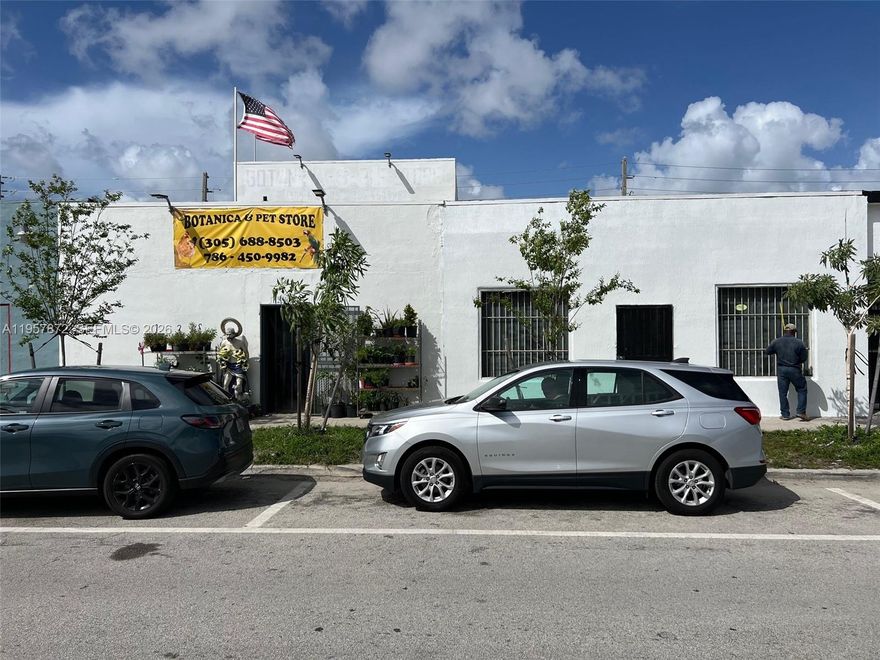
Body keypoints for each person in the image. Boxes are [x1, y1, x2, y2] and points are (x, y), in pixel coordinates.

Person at [765, 323, 809, 421]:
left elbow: (767, 351)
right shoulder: (799, 343)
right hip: (795, 369)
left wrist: (775, 347)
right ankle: (801, 412)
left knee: (782, 392)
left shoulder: (777, 341)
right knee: (802, 389)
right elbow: (804, 358)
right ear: (794, 332)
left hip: (782, 370)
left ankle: (785, 414)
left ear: (785, 331)